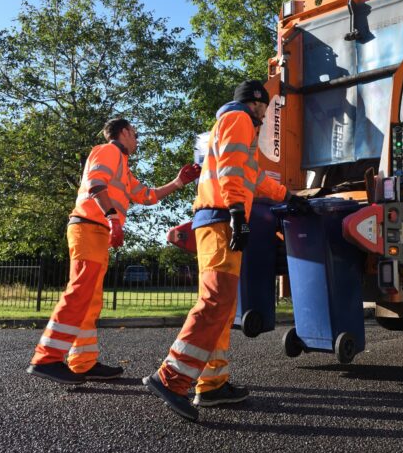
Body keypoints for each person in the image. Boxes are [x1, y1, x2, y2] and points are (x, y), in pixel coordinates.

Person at [143, 80, 309, 422]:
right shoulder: (240, 119)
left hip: (215, 218)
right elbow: (232, 169)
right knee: (216, 300)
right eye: (265, 106)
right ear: (258, 103)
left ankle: (212, 383)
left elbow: (252, 175)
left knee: (222, 303)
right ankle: (171, 378)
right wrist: (237, 213)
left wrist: (287, 196)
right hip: (221, 218)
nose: (266, 113)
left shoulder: (232, 123)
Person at [27, 118, 201, 385]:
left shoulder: (122, 164)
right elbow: (96, 185)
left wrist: (178, 181)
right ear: (124, 132)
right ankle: (46, 358)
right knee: (80, 290)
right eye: (135, 134)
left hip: (96, 231)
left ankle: (82, 363)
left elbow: (146, 195)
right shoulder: (108, 151)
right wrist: (113, 219)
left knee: (90, 299)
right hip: (89, 227)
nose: (137, 139)